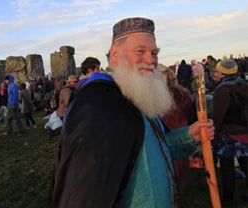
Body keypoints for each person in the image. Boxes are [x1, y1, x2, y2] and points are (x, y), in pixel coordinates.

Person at [48, 17, 215, 208]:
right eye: (140, 51)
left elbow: (157, 147)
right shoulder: (98, 104)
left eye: (154, 52)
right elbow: (85, 191)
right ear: (115, 54)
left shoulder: (139, 94)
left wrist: (188, 135)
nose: (151, 60)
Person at [212, 59, 248, 207]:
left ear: (223, 72)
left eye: (217, 71)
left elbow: (218, 117)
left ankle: (227, 201)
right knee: (246, 164)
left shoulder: (223, 90)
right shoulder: (244, 84)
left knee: (227, 169)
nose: (215, 73)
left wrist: (214, 137)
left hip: (229, 135)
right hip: (245, 133)